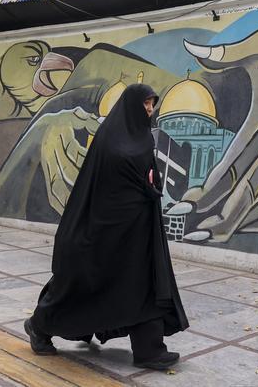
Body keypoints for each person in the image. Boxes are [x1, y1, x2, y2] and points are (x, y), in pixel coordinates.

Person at [24, 83, 188, 370]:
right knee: (83, 287)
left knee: (143, 283)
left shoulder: (143, 140)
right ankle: (39, 325)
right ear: (130, 105)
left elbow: (149, 181)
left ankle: (149, 350)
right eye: (146, 104)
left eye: (152, 104)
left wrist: (150, 189)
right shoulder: (111, 140)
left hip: (138, 231)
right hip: (105, 233)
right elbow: (110, 187)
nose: (150, 109)